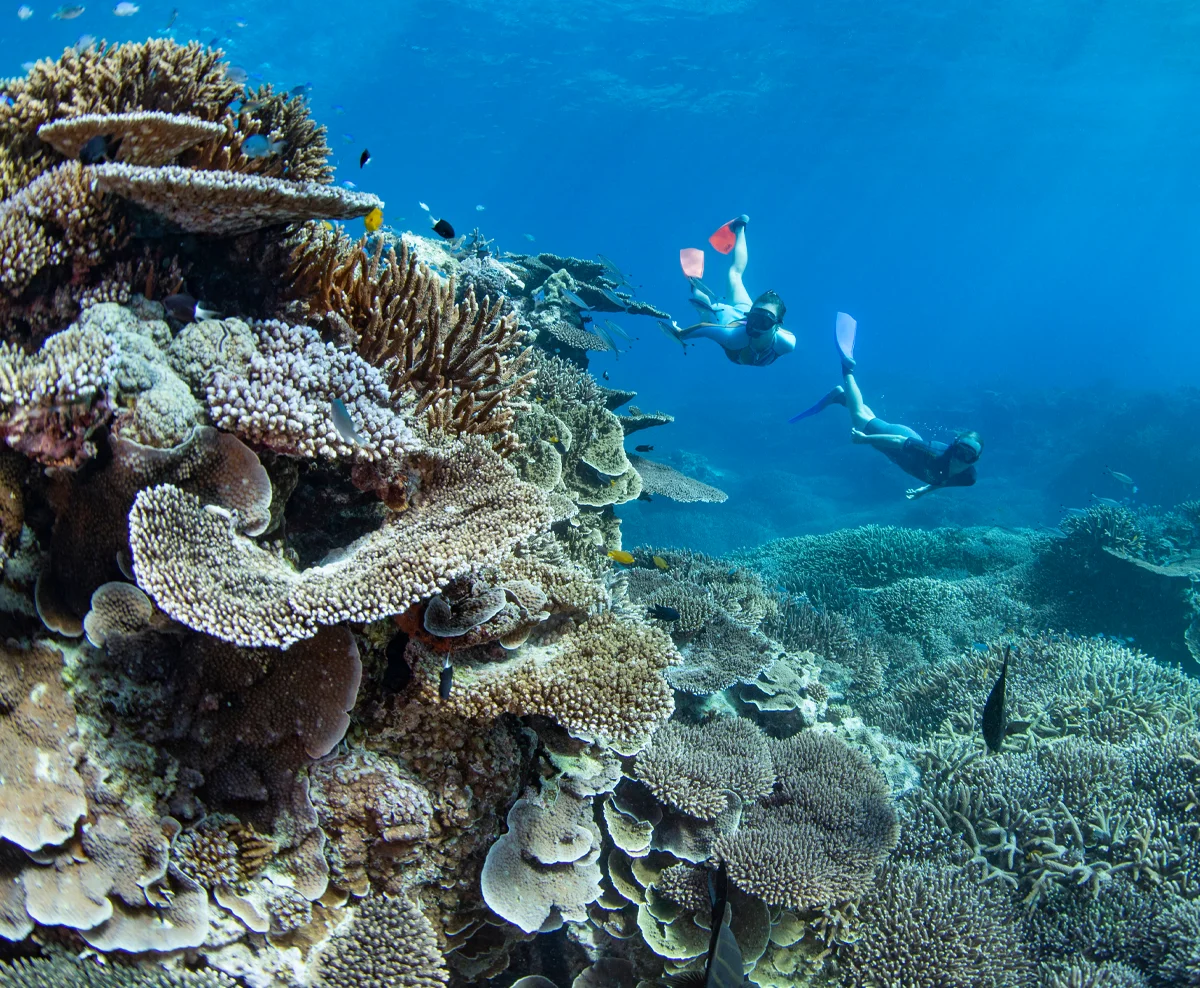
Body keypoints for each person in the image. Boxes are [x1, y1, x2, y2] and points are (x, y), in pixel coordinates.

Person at [791, 312, 983, 499]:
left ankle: (842, 397)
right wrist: (864, 439)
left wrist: (923, 491)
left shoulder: (968, 478)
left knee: (869, 419)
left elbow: (944, 482)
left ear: (974, 461)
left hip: (899, 457)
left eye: (967, 456)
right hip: (900, 441)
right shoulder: (934, 454)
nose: (960, 458)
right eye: (959, 451)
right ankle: (847, 369)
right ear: (953, 447)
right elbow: (899, 440)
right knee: (859, 419)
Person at [668, 215, 795, 366]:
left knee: (734, 274)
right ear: (750, 314)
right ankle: (694, 278)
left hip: (743, 313)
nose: (755, 326)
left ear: (777, 325)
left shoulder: (787, 344)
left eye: (765, 322)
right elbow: (704, 328)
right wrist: (680, 334)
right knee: (707, 311)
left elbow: (703, 330)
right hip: (726, 317)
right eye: (754, 318)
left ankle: (739, 227)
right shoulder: (731, 336)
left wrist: (680, 334)